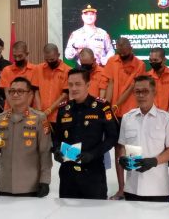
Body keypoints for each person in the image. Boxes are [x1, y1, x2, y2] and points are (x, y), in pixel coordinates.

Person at [53, 69, 118, 199]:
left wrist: (92, 154)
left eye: (78, 84)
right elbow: (57, 137)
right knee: (66, 209)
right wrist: (56, 150)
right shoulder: (63, 108)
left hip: (93, 173)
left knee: (94, 210)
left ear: (88, 85)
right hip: (68, 174)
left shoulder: (101, 107)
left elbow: (112, 137)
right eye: (70, 84)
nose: (73, 88)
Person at [118, 75, 169, 202]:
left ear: (154, 92)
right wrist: (122, 158)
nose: (141, 95)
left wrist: (154, 161)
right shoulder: (127, 118)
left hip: (158, 189)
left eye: (145, 91)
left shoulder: (166, 119)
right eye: (137, 92)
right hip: (132, 188)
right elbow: (123, 146)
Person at [0, 77, 52, 197]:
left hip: (30, 186)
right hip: (5, 185)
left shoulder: (40, 119)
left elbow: (45, 152)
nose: (15, 94)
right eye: (12, 91)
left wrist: (45, 181)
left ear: (30, 95)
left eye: (20, 91)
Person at [103, 37, 146, 200]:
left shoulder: (140, 64)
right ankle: (121, 188)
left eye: (124, 49)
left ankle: (134, 187)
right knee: (118, 150)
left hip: (132, 113)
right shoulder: (112, 61)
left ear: (130, 47)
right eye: (118, 49)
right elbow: (110, 84)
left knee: (133, 149)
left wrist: (116, 105)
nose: (121, 52)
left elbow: (132, 88)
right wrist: (107, 105)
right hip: (114, 115)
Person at [32, 43, 71, 125]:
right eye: (47, 59)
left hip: (59, 114)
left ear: (58, 55)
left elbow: (65, 95)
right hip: (40, 116)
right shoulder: (38, 69)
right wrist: (40, 111)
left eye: (52, 59)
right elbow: (36, 91)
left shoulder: (67, 70)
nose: (49, 62)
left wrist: (49, 110)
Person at [0, 41, 38, 108]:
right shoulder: (6, 70)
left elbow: (32, 92)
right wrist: (15, 109)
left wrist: (23, 109)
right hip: (10, 109)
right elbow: (7, 92)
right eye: (15, 56)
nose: (17, 59)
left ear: (27, 54)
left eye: (20, 56)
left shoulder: (35, 69)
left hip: (29, 110)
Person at [148, 48, 169, 112]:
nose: (153, 62)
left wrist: (167, 113)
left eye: (155, 60)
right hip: (152, 113)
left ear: (164, 60)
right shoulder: (148, 76)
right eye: (150, 60)